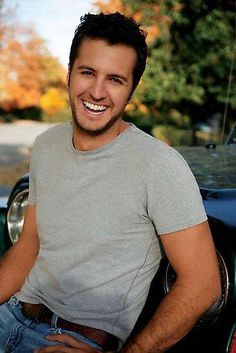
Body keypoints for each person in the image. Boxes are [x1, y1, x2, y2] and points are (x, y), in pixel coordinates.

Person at [0, 12, 221, 353]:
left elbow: (204, 284)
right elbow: (28, 246)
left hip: (79, 340)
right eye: (88, 72)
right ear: (69, 72)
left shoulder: (159, 165)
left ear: (131, 89)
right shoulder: (46, 146)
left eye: (115, 80)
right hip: (10, 313)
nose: (97, 92)